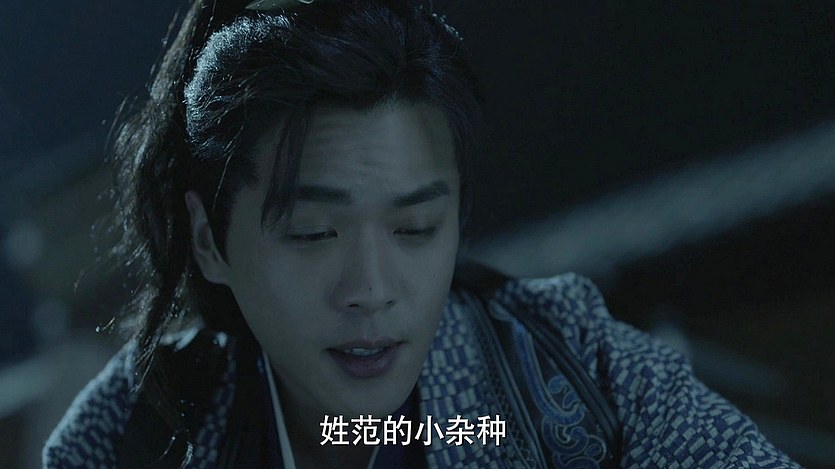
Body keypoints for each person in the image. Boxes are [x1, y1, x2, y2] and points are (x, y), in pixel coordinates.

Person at [44, 0, 799, 467]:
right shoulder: (128, 432)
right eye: (313, 232)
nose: (372, 289)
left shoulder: (569, 365)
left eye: (415, 227)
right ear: (210, 241)